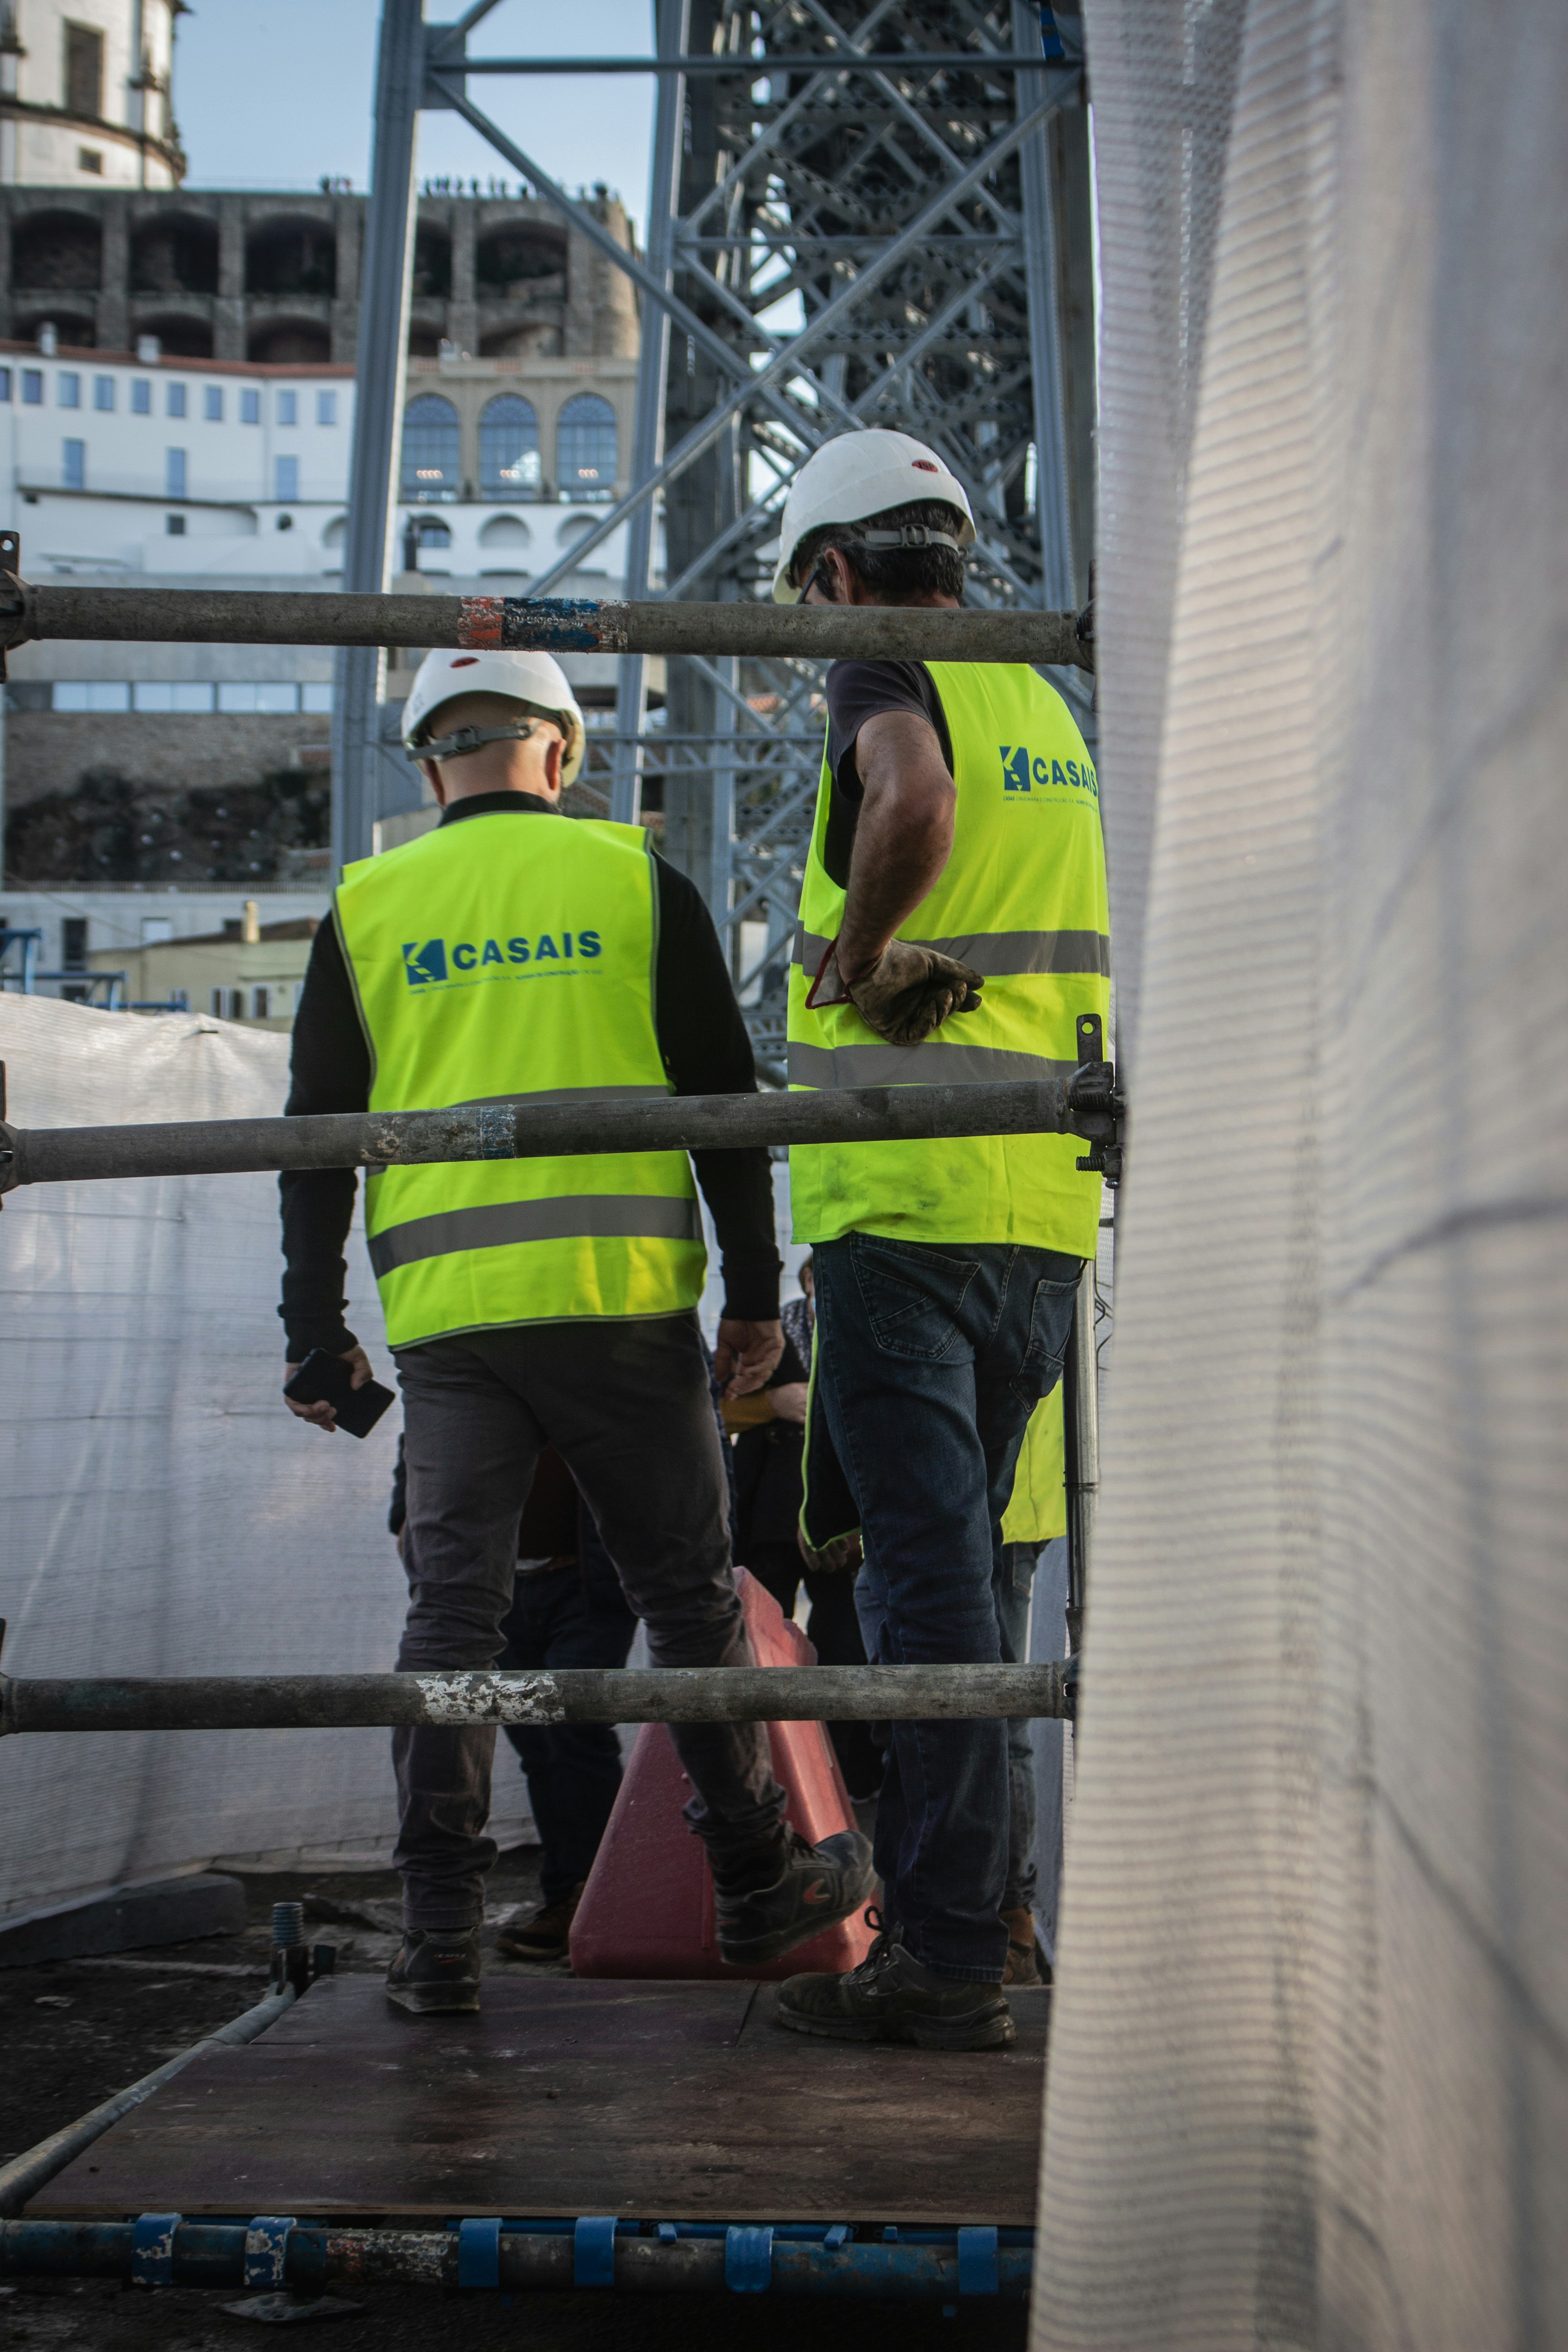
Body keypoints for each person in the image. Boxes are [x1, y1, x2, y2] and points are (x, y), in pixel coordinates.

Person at [279, 645, 872, 2013]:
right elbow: (724, 1100)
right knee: (689, 1607)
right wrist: (748, 1295)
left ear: (432, 765)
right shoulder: (630, 880)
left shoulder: (365, 907)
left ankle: (439, 1946)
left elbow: (311, 1142)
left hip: (456, 1332)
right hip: (623, 1312)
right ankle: (752, 1880)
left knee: (455, 1629)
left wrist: (314, 1328)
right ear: (562, 752)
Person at [767, 430, 1110, 2051]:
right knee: (974, 1582)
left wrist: (856, 950)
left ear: (836, 575)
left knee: (923, 1590)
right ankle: (981, 1924)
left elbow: (906, 793)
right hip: (1038, 1219)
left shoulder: (884, 666)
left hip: (902, 1205)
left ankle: (947, 1956)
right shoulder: (1046, 697)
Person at [730, 1256, 884, 1801]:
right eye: (816, 1282)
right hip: (771, 1512)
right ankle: (768, 1779)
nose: (822, 1293)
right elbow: (718, 1406)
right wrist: (772, 1403)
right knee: (761, 1643)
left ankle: (852, 1777)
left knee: (844, 1642)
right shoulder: (774, 1338)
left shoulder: (871, 1335)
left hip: (842, 1520)